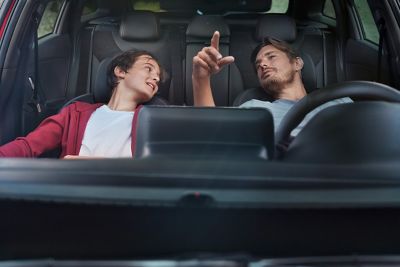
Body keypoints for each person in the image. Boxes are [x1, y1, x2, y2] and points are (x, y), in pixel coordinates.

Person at [0, 50, 166, 158]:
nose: (156, 78)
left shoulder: (155, 120)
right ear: (120, 72)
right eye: (148, 68)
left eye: (158, 76)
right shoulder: (74, 114)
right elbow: (28, 146)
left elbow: (183, 155)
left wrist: (194, 78)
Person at [192, 31, 351, 135]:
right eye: (258, 64)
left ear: (297, 63)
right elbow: (212, 137)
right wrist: (201, 79)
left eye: (271, 56)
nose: (262, 65)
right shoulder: (255, 109)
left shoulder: (339, 102)